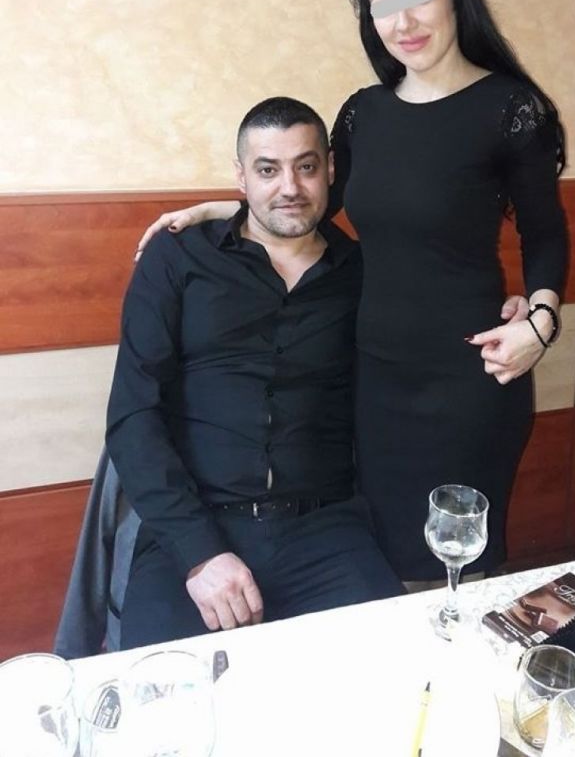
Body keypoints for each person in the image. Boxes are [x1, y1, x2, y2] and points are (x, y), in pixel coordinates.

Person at [136, 0, 568, 582]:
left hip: (468, 377)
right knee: (387, 562)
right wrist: (220, 208)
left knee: (452, 561)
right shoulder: (365, 112)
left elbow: (545, 231)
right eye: (383, 5)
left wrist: (541, 321)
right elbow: (313, 202)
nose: (403, 21)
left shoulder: (509, 108)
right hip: (374, 379)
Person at [107, 97, 402, 649]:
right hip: (194, 529)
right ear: (241, 177)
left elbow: (436, 310)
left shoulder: (364, 271)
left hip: (326, 532)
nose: (290, 186)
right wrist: (200, 554)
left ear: (329, 170)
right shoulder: (178, 259)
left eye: (305, 166)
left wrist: (517, 311)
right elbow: (133, 413)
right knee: (163, 693)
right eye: (268, 170)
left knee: (399, 671)